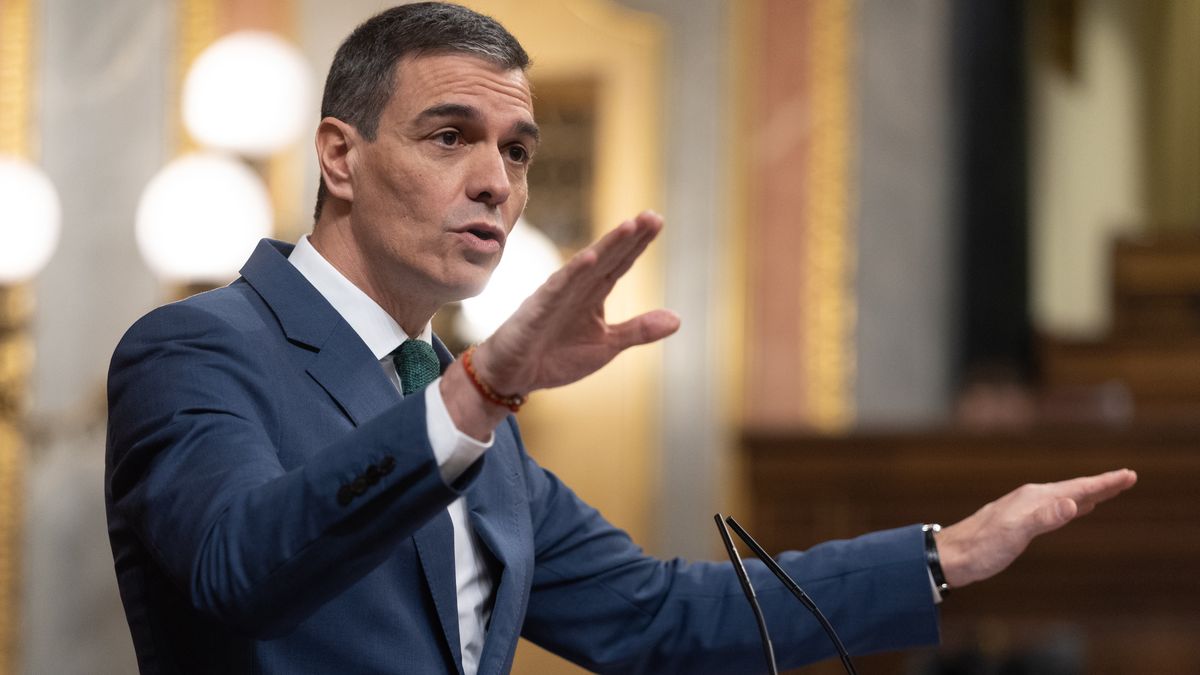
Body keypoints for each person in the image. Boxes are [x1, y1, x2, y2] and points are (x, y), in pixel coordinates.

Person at [104, 3, 1137, 674]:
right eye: (451, 136)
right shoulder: (198, 350)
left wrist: (944, 555)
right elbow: (241, 569)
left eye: (518, 151)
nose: (495, 181)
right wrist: (477, 394)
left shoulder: (465, 414)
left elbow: (656, 615)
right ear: (340, 156)